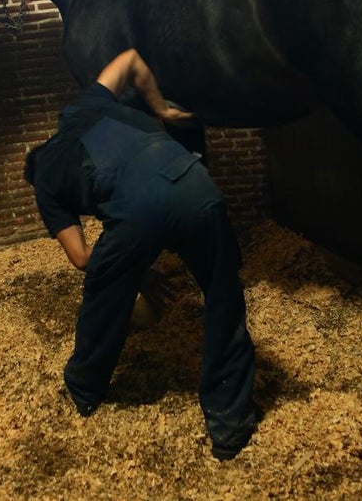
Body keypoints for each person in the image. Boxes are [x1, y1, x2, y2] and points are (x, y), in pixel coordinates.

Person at [23, 49, 259, 460]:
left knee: (103, 295)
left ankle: (84, 388)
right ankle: (229, 425)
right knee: (224, 297)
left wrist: (133, 270)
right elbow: (131, 58)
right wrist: (161, 110)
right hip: (194, 182)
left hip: (137, 214)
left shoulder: (44, 181)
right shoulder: (86, 105)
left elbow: (81, 258)